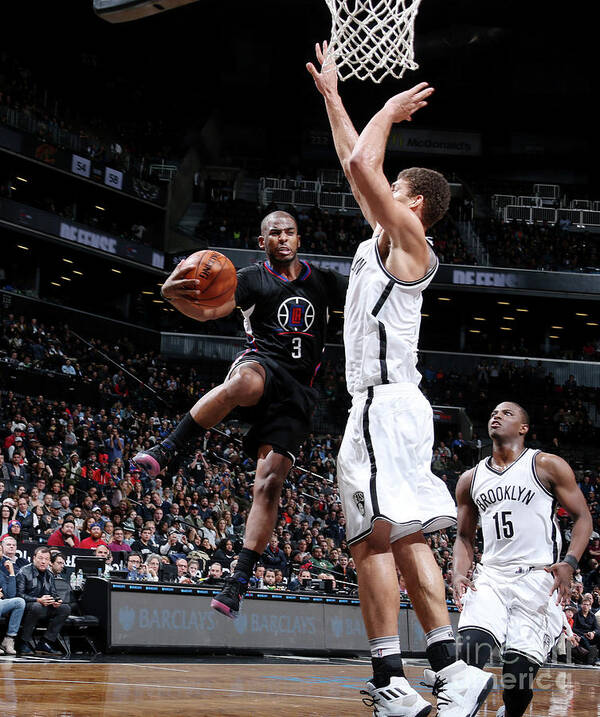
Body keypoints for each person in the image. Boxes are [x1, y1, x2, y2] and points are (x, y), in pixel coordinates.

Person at [308, 42, 492, 715]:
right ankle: (450, 667)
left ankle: (390, 675)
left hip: (381, 404)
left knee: (369, 539)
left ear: (410, 199)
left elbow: (363, 164)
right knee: (406, 534)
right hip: (400, 404)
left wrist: (386, 105)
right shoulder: (387, 238)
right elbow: (353, 163)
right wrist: (333, 96)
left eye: (390, 187)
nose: (375, 189)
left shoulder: (409, 240)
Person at [134, 209, 347, 619]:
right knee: (244, 385)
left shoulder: (323, 280)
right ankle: (166, 448)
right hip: (260, 363)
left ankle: (238, 582)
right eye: (273, 233)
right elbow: (209, 311)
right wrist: (171, 293)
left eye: (288, 232)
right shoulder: (250, 277)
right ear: (261, 242)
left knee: (268, 486)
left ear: (298, 239)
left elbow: (367, 296)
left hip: (300, 392)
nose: (282, 238)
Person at [453, 401, 593, 716]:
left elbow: (583, 517)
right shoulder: (469, 480)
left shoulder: (546, 465)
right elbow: (464, 537)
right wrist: (459, 572)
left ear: (523, 428)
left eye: (506, 413)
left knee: (517, 678)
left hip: (536, 578)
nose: (496, 415)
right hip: (491, 576)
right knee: (468, 650)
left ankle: (512, 712)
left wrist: (569, 562)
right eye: (492, 412)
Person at [16, 545, 70, 655]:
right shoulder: (23, 572)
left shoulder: (49, 574)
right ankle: (23, 642)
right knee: (37, 606)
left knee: (65, 608)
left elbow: (54, 593)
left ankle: (46, 642)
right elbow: (19, 595)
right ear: (34, 558)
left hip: (44, 606)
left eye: (46, 559)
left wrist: (56, 600)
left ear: (49, 561)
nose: (43, 561)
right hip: (27, 607)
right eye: (40, 558)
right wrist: (38, 599)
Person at [0, 541, 26, 655]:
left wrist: (11, 572)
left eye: (0, 550)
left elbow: (10, 595)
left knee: (19, 602)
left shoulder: (2, 569)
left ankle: (9, 639)